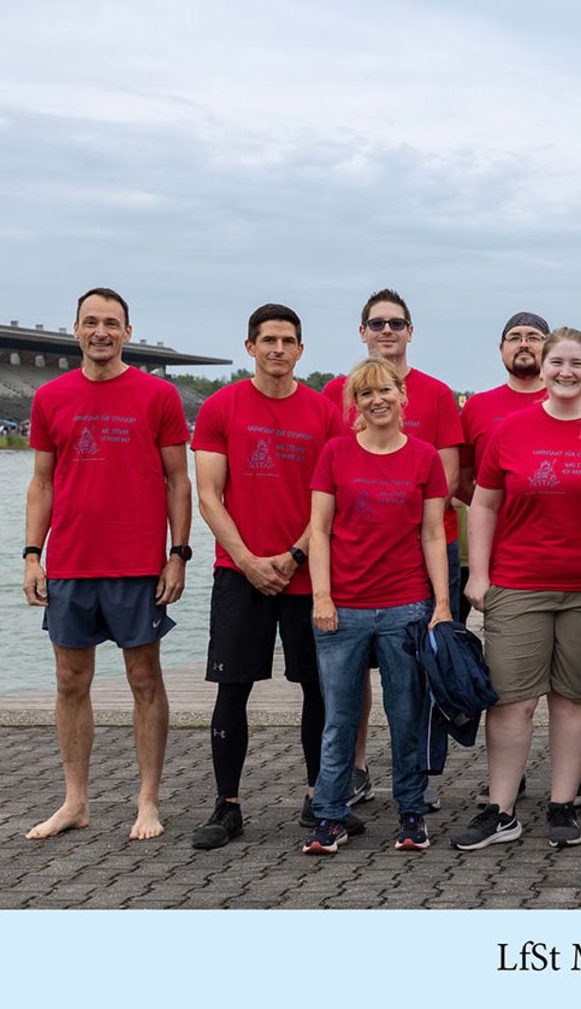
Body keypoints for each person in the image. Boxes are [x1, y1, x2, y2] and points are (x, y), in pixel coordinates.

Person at [453, 329, 581, 851]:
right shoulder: (511, 429)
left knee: (574, 700)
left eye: (577, 363)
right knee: (512, 701)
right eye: (557, 362)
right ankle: (501, 810)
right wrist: (479, 573)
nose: (566, 372)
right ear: (544, 368)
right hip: (519, 583)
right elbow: (484, 503)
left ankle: (562, 806)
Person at [23, 287, 191, 842]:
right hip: (71, 561)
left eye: (112, 323)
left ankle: (148, 800)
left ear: (127, 332)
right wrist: (32, 554)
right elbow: (42, 483)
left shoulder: (158, 395)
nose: (101, 332)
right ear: (75, 330)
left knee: (144, 678)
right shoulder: (50, 397)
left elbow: (178, 480)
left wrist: (178, 554)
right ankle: (75, 801)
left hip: (136, 562)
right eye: (91, 322)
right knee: (70, 681)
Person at [190, 304, 348, 849]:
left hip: (307, 573)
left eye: (287, 340)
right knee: (232, 687)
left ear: (301, 350)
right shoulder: (221, 406)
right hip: (240, 572)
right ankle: (227, 805)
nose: (278, 349)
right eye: (268, 340)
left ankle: (319, 797)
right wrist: (247, 560)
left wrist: (296, 555)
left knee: (317, 689)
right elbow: (208, 495)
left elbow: (332, 497)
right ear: (250, 347)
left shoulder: (324, 413)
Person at [304, 357, 452, 854]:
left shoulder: (425, 457)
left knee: (406, 716)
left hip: (405, 607)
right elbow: (319, 530)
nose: (377, 400)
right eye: (365, 394)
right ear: (355, 404)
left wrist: (442, 603)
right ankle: (330, 816)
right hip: (342, 609)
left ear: (402, 396)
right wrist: (322, 596)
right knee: (339, 719)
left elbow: (433, 534)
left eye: (385, 390)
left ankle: (411, 813)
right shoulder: (335, 453)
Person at [322, 290, 462, 809]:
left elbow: (447, 479)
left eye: (396, 323)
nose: (387, 331)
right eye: (377, 323)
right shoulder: (335, 391)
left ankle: (416, 782)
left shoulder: (438, 394)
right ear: (362, 331)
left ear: (410, 331)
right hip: (355, 567)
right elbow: (328, 479)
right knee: (348, 682)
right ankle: (355, 772)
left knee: (419, 681)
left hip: (424, 556)